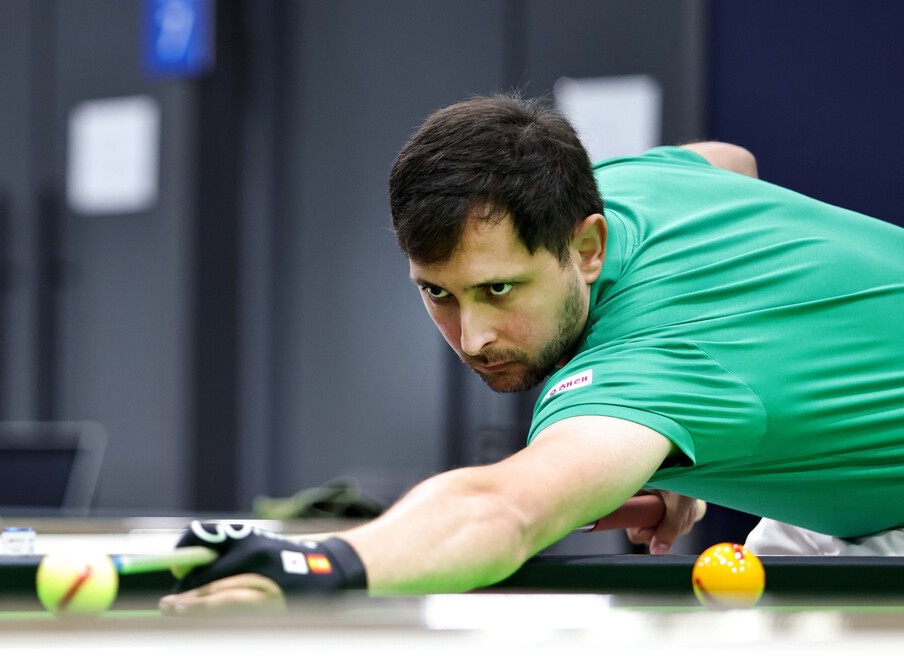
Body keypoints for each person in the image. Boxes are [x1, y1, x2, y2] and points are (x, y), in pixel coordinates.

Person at [159, 94, 904, 614]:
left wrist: (318, 563)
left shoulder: (646, 371)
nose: (473, 338)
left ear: (588, 247)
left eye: (499, 289)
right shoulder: (632, 188)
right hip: (852, 510)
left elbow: (505, 511)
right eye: (438, 293)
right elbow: (727, 160)